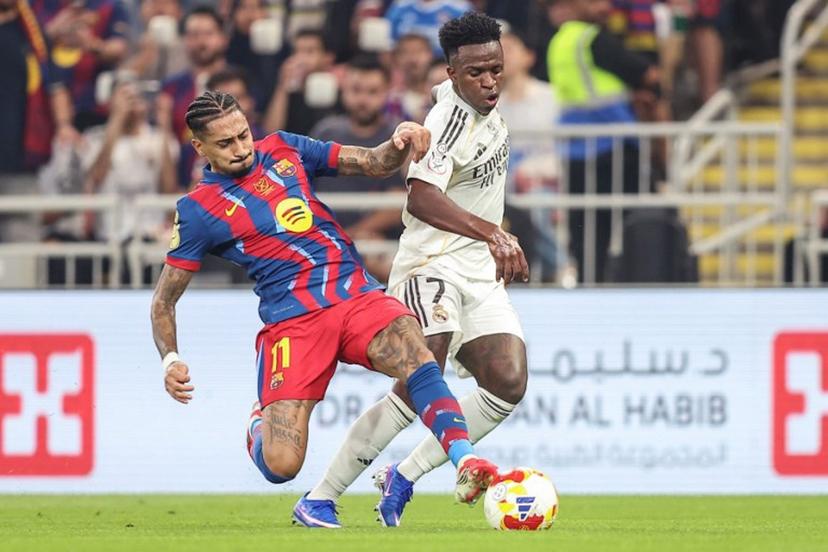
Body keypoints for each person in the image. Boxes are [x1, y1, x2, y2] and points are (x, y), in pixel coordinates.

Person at [149, 89, 501, 528]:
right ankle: (260, 424)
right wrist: (171, 358)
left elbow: (371, 162)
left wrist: (397, 143)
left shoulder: (283, 148)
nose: (241, 149)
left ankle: (464, 460)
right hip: (293, 325)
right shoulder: (198, 211)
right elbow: (164, 299)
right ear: (198, 147)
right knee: (281, 465)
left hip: (354, 294)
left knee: (417, 354)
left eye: (243, 135)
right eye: (226, 143)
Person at [303, 11, 529, 528]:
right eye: (476, 73)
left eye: (496, 68)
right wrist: (493, 232)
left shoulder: (471, 98)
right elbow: (422, 197)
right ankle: (321, 495)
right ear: (453, 73)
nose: (490, 80)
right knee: (423, 369)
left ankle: (402, 475)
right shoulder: (446, 123)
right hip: (431, 262)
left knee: (508, 381)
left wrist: (487, 241)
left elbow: (449, 88)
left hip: (476, 267)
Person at [547, 0, 660, 283]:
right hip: (614, 147)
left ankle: (589, 287)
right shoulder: (592, 38)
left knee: (585, 233)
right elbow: (648, 74)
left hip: (575, 149)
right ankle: (644, 283)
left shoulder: (559, 41)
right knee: (640, 223)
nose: (604, 6)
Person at [311, 54, 404, 283]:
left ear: (386, 93)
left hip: (378, 241)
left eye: (372, 92)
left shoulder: (398, 137)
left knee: (386, 262)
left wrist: (353, 235)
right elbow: (303, 186)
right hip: (323, 236)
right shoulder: (325, 133)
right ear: (344, 90)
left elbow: (398, 200)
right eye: (356, 90)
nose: (363, 100)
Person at [159, 5, 229, 189]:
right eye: (193, 35)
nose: (201, 42)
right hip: (180, 182)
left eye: (208, 34)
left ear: (223, 38)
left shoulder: (238, 83)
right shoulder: (170, 88)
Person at [262, 29, 337, 136]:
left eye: (309, 51)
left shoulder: (337, 85)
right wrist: (282, 87)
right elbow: (270, 133)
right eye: (296, 52)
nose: (301, 58)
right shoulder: (287, 91)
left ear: (328, 58)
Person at [386, 33, 435, 124]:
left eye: (419, 51)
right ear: (396, 59)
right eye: (405, 52)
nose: (413, 59)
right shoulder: (390, 100)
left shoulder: (442, 96)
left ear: (430, 55)